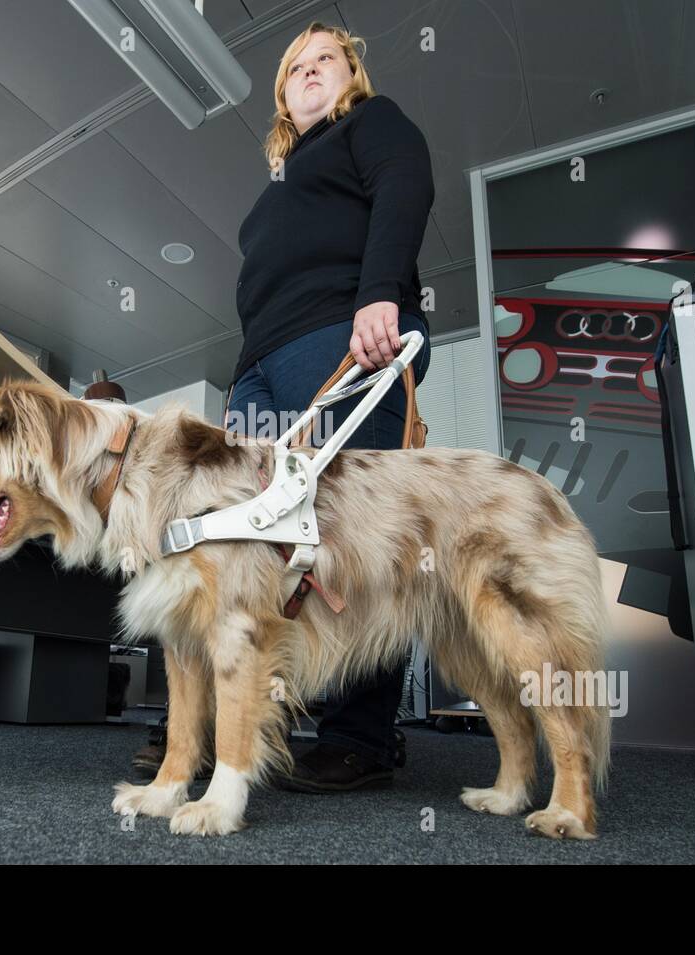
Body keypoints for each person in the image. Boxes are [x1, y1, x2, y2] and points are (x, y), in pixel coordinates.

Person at [135, 20, 434, 792]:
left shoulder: (371, 123)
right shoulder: (282, 179)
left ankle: (363, 735)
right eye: (295, 67)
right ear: (280, 99)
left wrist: (379, 297)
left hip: (343, 339)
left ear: (351, 74)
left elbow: (406, 185)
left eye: (323, 60)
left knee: (356, 530)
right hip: (264, 366)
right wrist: (243, 383)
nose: (308, 71)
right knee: (249, 544)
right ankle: (214, 728)